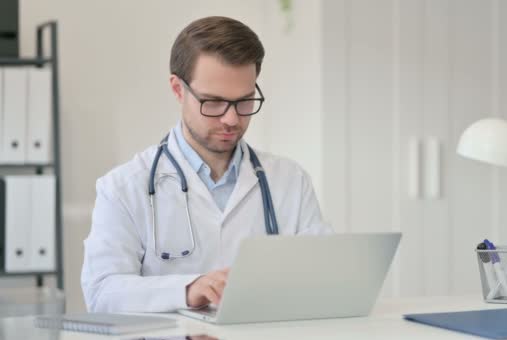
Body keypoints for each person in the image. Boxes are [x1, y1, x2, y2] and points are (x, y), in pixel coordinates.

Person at [81, 16, 332, 313]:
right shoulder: (124, 187)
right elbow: (102, 292)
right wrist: (187, 290)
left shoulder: (289, 180)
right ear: (178, 89)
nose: (231, 119)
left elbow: (322, 279)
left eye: (245, 100)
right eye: (213, 102)